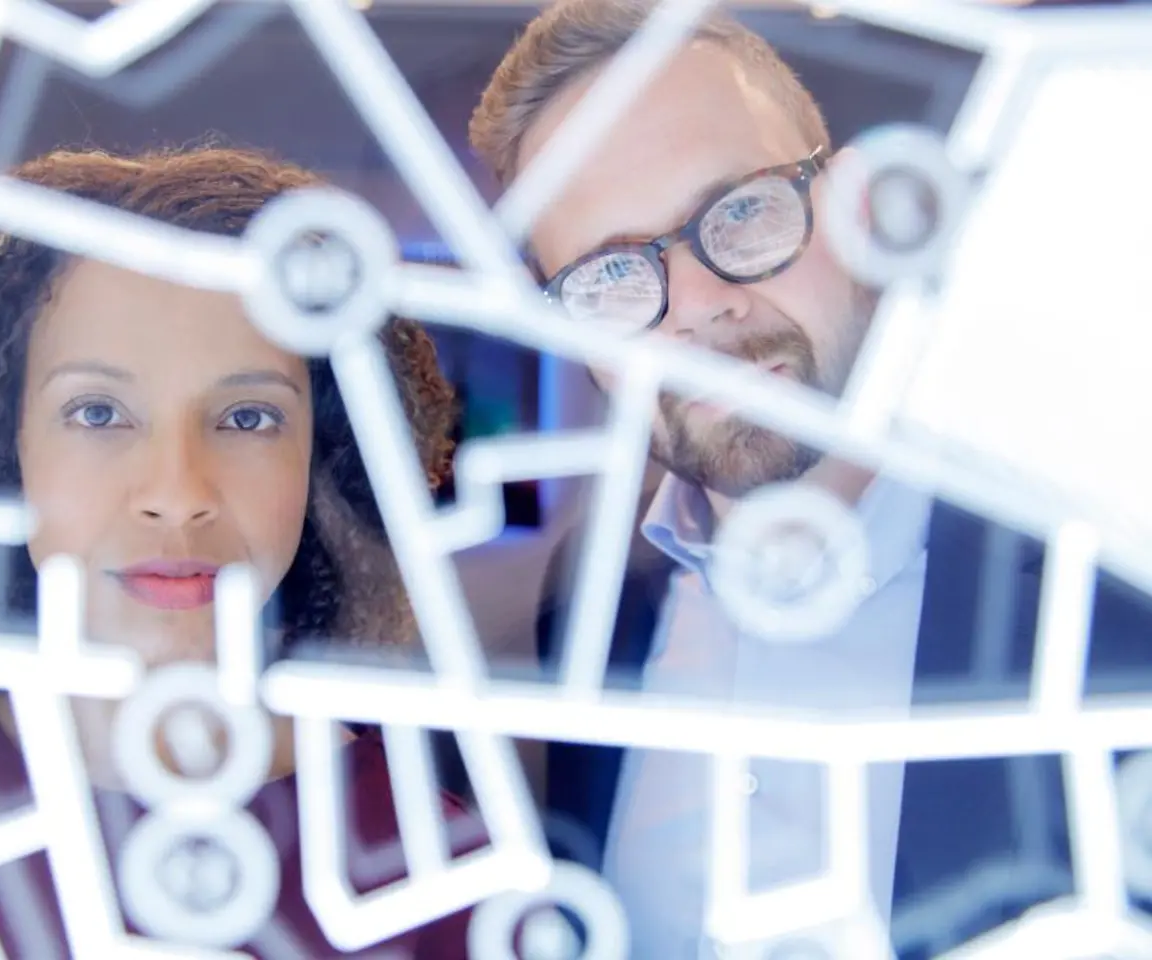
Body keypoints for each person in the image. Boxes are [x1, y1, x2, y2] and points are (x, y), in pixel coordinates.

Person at [471, 3, 1152, 957]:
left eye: (741, 211)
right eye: (609, 278)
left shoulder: (1111, 572)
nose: (702, 309)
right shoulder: (591, 602)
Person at [0, 146, 482, 959]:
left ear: (327, 460)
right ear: (2, 448)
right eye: (98, 412)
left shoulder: (447, 884)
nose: (176, 491)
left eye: (248, 418)